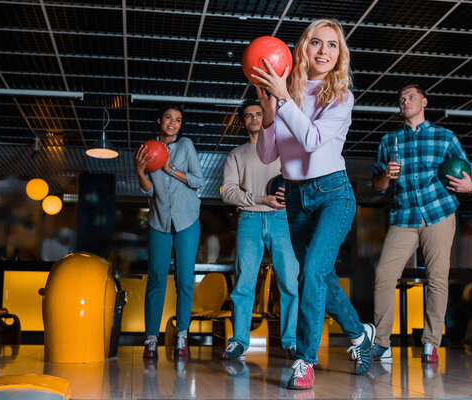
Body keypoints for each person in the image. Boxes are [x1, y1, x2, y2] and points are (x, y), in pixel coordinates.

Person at [253, 19, 375, 390]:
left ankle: (304, 360)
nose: (324, 51)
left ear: (340, 55)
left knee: (310, 275)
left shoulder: (340, 96)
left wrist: (284, 100)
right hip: (295, 197)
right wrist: (269, 113)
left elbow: (311, 140)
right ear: (302, 49)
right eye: (316, 43)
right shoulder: (285, 91)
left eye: (333, 46)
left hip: (333, 195)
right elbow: (267, 153)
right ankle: (359, 334)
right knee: (319, 276)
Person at [371, 83, 472, 365]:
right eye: (401, 99)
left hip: (439, 213)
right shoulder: (389, 141)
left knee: (437, 278)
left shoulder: (445, 138)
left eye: (411, 97)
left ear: (424, 102)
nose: (405, 102)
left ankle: (431, 344)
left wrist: (471, 186)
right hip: (403, 216)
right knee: (383, 274)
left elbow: (471, 174)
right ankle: (381, 344)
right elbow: (378, 186)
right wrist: (386, 175)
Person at [220, 99, 299, 360]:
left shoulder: (284, 149)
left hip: (282, 220)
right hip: (250, 220)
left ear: (266, 117)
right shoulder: (236, 155)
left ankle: (290, 341)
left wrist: (290, 198)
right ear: (243, 122)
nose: (254, 118)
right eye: (248, 116)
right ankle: (239, 342)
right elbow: (229, 193)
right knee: (244, 284)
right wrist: (259, 199)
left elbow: (298, 182)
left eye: (258, 114)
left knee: (289, 282)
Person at [134, 104, 204, 360]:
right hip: (159, 221)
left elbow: (198, 181)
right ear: (159, 120)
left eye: (178, 119)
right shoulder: (146, 149)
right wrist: (140, 171)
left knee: (184, 280)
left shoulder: (185, 146)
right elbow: (148, 190)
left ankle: (182, 337)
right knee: (156, 279)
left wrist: (170, 170)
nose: (173, 123)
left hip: (187, 221)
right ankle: (151, 339)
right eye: (168, 117)